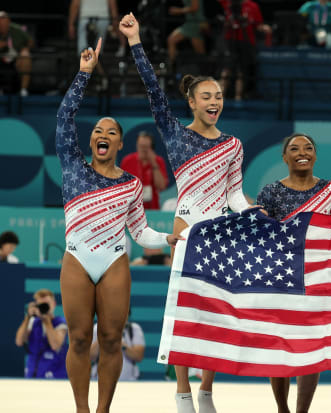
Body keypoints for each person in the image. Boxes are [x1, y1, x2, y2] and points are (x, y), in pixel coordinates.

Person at [120, 13, 255, 413]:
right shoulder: (177, 135)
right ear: (192, 102)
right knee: (183, 315)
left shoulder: (232, 145)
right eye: (206, 97)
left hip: (221, 235)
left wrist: (258, 212)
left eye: (219, 97)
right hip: (188, 233)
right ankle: (182, 393)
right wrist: (135, 42)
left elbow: (234, 197)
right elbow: (152, 91)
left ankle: (207, 390)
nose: (214, 102)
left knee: (213, 317)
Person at [57, 38, 180, 413]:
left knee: (111, 340)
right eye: (98, 131)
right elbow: (65, 119)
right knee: (79, 339)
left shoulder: (131, 184)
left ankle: (102, 410)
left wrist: (168, 238)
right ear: (91, 141)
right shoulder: (73, 168)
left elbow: (140, 232)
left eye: (111, 132)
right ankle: (81, 409)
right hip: (77, 259)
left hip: (113, 262)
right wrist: (83, 74)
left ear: (120, 144)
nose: (102, 135)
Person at [257, 133, 331, 413]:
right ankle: (282, 409)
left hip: (317, 278)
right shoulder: (270, 192)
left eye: (308, 148)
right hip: (282, 278)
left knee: (311, 348)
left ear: (316, 156)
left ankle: (302, 411)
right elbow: (263, 236)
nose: (302, 152)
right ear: (284, 158)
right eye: (294, 149)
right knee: (281, 347)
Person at [219, 0, 270, 100]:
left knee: (241, 70)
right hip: (230, 40)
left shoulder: (253, 6)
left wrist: (265, 28)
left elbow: (258, 24)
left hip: (246, 41)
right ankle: (220, 96)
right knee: (227, 69)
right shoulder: (228, 2)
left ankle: (238, 98)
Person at [15, 288, 68, 378]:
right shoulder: (33, 322)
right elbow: (19, 341)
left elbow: (55, 345)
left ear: (54, 304)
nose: (44, 307)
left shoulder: (60, 323)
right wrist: (28, 317)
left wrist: (46, 320)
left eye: (46, 304)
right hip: (32, 375)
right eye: (41, 305)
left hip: (54, 376)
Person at [68, 0, 120, 91]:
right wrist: (115, 20)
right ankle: (101, 79)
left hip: (88, 18)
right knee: (93, 52)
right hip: (100, 18)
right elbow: (112, 3)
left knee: (85, 52)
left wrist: (71, 24)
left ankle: (93, 81)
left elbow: (75, 3)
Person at [120, 131, 169, 210]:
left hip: (152, 209)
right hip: (132, 208)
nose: (143, 150)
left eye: (146, 147)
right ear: (137, 145)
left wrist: (154, 164)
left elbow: (161, 186)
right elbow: (122, 188)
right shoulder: (127, 161)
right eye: (141, 146)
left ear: (151, 148)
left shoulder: (158, 161)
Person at [91, 317, 145, 381]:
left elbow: (138, 356)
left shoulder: (134, 329)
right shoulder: (96, 328)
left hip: (129, 381)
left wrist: (121, 344)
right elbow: (91, 357)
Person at [0, 11, 33, 96]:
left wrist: (25, 49)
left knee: (25, 55)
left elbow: (30, 42)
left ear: (8, 22)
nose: (2, 23)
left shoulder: (17, 29)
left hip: (15, 58)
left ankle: (23, 90)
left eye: (4, 20)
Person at [167, 0, 207, 68]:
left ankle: (172, 69)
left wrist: (178, 10)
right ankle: (173, 67)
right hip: (191, 23)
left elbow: (195, 7)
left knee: (201, 53)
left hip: (196, 23)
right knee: (200, 53)